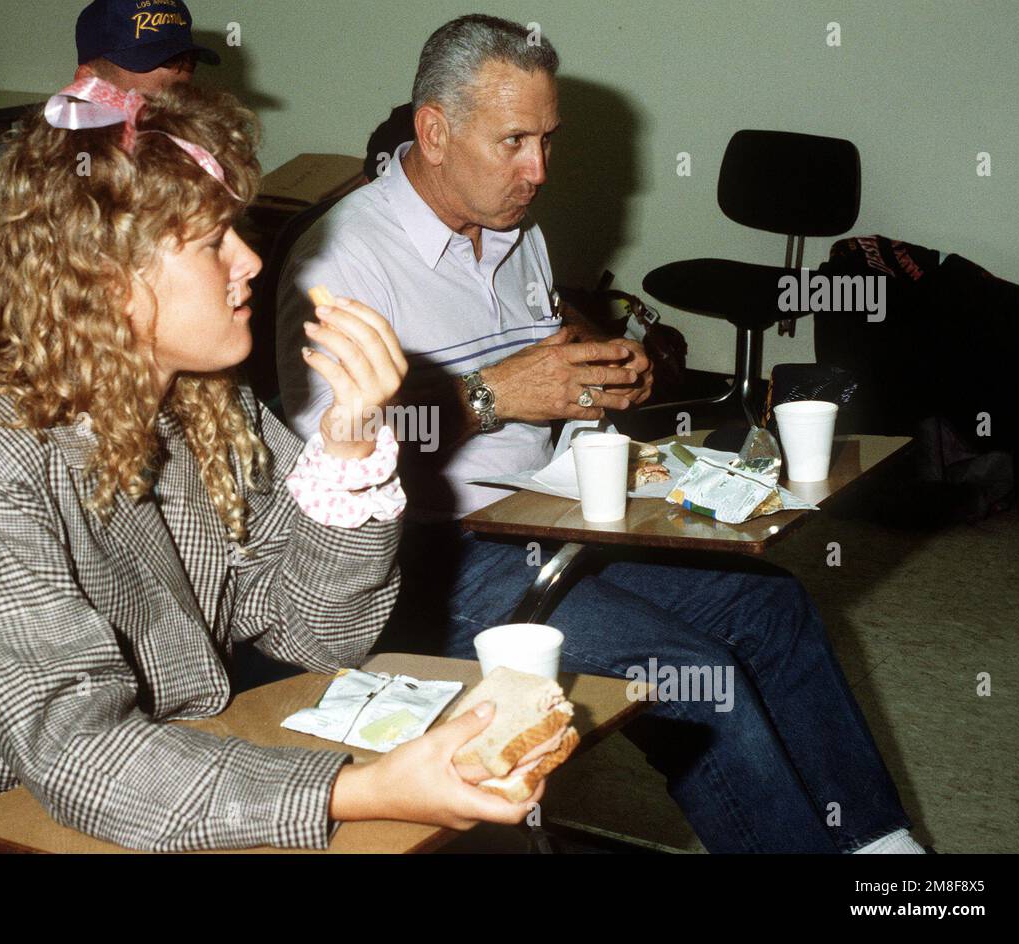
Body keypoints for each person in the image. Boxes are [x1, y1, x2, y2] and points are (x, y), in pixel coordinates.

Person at [0, 79, 547, 853]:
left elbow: (316, 633)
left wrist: (346, 442)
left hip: (137, 788)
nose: (249, 260)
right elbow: (80, 754)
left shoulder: (200, 402)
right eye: (212, 243)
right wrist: (357, 790)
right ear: (107, 283)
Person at [277, 14, 926, 854]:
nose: (538, 170)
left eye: (547, 139)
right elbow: (318, 468)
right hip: (424, 561)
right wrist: (491, 397)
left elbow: (544, 345)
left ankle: (890, 862)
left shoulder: (517, 233)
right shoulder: (342, 260)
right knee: (700, 676)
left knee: (773, 608)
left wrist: (602, 368)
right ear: (433, 132)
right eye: (514, 141)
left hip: (548, 517)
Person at [0, 0, 217, 244]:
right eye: (147, 106)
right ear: (88, 85)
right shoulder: (22, 178)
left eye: (180, 103)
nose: (168, 124)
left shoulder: (189, 156)